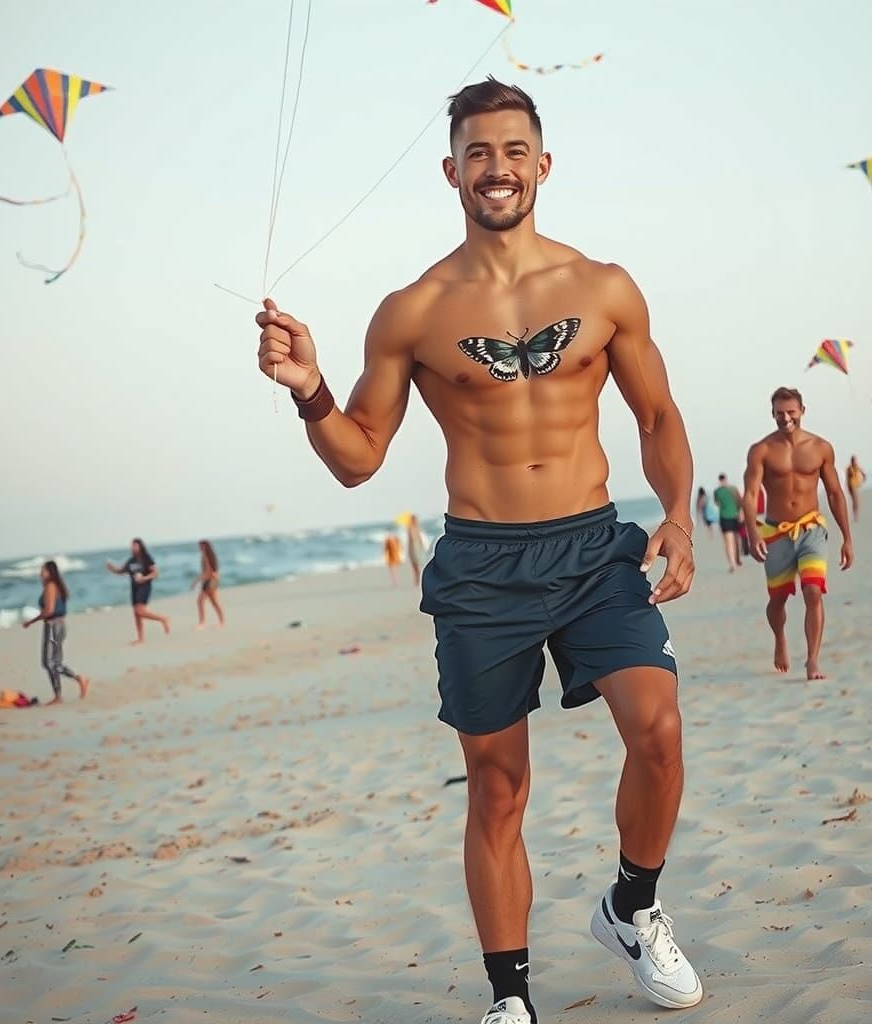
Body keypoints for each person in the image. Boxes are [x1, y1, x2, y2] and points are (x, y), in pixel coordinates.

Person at [255, 78, 701, 1024]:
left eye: (513, 151)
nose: (496, 168)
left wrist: (678, 515)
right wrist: (310, 388)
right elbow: (356, 463)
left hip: (590, 548)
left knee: (658, 732)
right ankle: (511, 1001)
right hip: (483, 568)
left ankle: (633, 904)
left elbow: (657, 415)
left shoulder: (602, 287)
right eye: (478, 153)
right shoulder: (411, 311)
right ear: (450, 170)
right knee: (498, 786)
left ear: (543, 165)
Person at [743, 387, 853, 681]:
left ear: (802, 410)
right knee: (777, 600)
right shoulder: (761, 450)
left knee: (813, 591)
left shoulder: (820, 448)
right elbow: (751, 494)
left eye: (791, 412)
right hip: (776, 532)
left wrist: (847, 538)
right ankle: (780, 638)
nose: (786, 418)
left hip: (811, 528)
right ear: (772, 414)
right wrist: (753, 534)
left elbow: (834, 492)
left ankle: (812, 660)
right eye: (780, 413)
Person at [21, 561, 89, 704]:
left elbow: (49, 610)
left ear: (50, 573)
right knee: (54, 662)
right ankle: (59, 695)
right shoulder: (56, 586)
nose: (40, 573)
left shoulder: (51, 586)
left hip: (53, 626)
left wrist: (31, 621)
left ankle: (76, 680)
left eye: (43, 570)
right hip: (59, 625)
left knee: (48, 662)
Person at [106, 538, 170, 644]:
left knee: (140, 611)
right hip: (134, 588)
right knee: (136, 614)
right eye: (132, 545)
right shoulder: (131, 560)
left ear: (140, 546)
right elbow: (120, 571)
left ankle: (163, 619)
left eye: (135, 545)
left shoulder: (146, 558)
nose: (133, 547)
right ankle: (140, 638)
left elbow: (155, 573)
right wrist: (112, 568)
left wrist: (144, 578)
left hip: (144, 587)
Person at [713, 473, 743, 571]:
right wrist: (740, 513)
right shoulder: (733, 489)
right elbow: (740, 502)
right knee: (733, 541)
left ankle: (733, 563)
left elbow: (717, 503)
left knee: (730, 541)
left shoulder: (717, 491)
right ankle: (734, 562)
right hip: (733, 516)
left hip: (726, 517)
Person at [192, 539, 225, 629]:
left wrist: (196, 581)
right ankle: (221, 622)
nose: (199, 547)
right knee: (213, 602)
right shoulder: (209, 554)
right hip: (212, 580)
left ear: (205, 546)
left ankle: (202, 623)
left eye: (200, 545)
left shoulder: (206, 555)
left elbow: (209, 571)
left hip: (211, 581)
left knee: (201, 601)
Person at [406, 514, 429, 587]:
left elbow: (411, 540)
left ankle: (417, 579)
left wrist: (408, 550)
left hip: (413, 546)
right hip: (418, 546)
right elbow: (420, 540)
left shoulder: (410, 528)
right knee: (418, 563)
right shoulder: (418, 528)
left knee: (414, 564)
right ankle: (418, 579)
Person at [845, 455, 867, 523]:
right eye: (853, 460)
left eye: (854, 460)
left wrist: (863, 479)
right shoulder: (849, 468)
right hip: (851, 486)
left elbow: (863, 473)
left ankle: (855, 514)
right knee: (855, 500)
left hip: (856, 486)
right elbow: (848, 478)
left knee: (856, 501)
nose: (854, 462)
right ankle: (855, 515)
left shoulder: (857, 467)